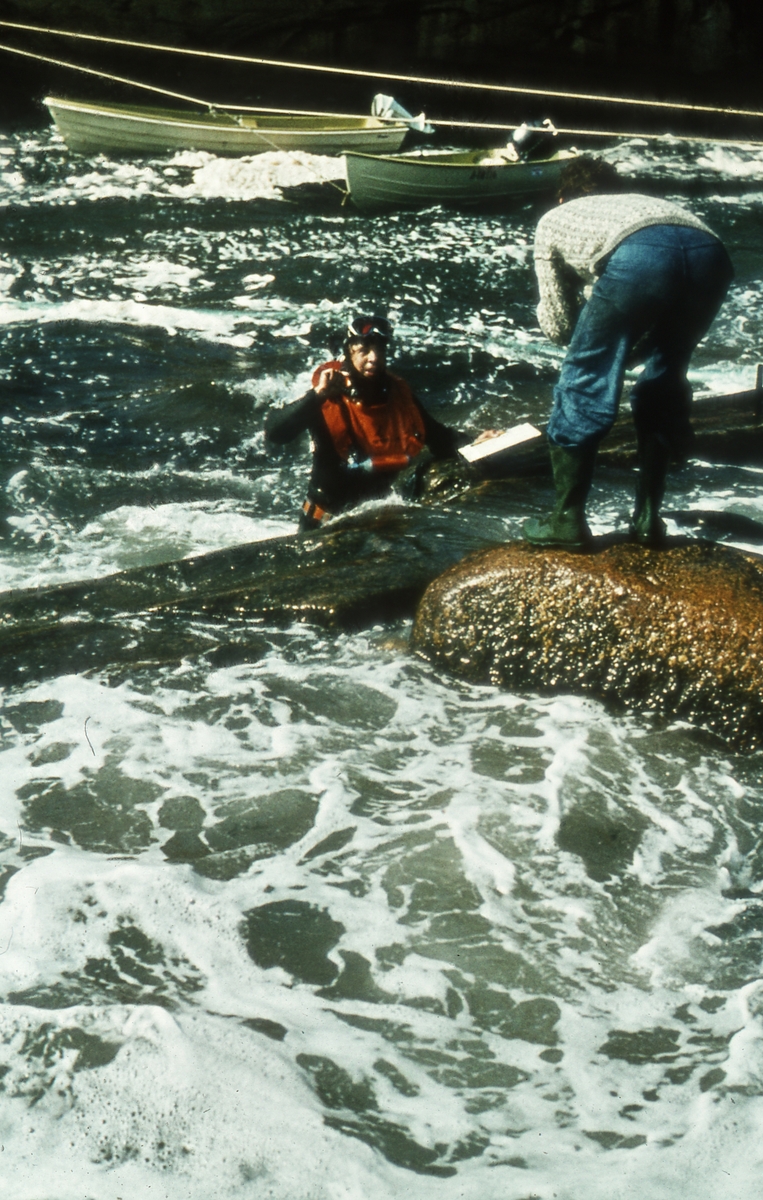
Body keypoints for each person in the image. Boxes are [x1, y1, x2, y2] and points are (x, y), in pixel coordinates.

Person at [524, 156, 734, 549]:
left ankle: (567, 520)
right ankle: (649, 519)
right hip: (710, 253)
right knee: (665, 377)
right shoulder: (638, 203)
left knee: (584, 376)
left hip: (640, 257)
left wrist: (593, 332)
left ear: (561, 196)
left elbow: (559, 327)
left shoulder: (557, 217)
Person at [264, 315, 464, 530]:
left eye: (380, 349)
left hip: (375, 520)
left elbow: (437, 437)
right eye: (364, 350)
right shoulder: (329, 396)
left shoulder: (397, 393)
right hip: (324, 523)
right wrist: (317, 395)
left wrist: (476, 441)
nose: (374, 358)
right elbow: (276, 434)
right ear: (348, 351)